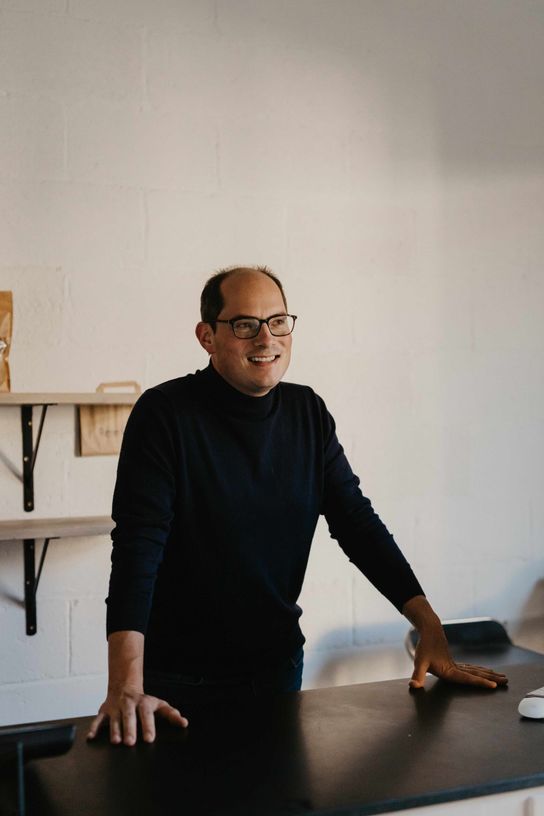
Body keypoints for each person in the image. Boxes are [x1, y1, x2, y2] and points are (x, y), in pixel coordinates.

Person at [87, 266, 507, 747]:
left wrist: (429, 626)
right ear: (207, 337)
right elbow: (138, 548)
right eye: (244, 324)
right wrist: (125, 686)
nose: (265, 337)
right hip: (179, 683)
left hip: (278, 670)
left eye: (278, 321)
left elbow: (357, 523)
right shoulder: (165, 415)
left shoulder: (308, 413)